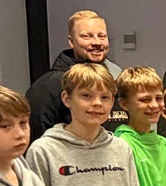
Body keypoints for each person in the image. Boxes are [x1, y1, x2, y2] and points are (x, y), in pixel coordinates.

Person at [25, 63, 148, 186]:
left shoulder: (121, 149)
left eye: (105, 97)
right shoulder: (44, 151)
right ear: (67, 99)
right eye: (86, 96)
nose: (97, 103)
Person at [26, 10, 125, 141]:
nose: (96, 42)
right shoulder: (49, 86)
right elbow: (38, 135)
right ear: (71, 41)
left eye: (102, 36)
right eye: (86, 36)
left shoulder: (118, 78)